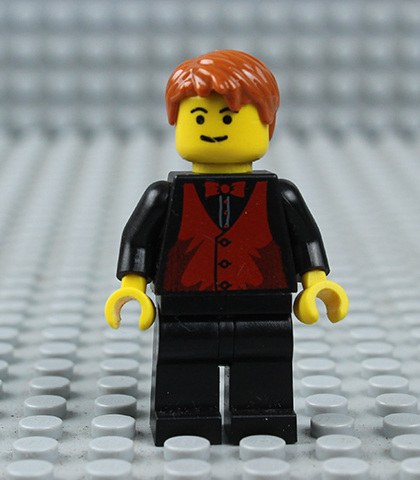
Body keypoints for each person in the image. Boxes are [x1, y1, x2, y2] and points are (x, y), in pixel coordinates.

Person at [105, 50, 348, 446]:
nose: (213, 129)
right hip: (186, 307)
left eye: (229, 118)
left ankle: (262, 415)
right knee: (184, 365)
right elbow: (139, 239)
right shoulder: (164, 196)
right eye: (199, 118)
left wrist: (316, 284)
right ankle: (184, 416)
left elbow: (306, 239)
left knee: (265, 364)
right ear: (178, 123)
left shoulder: (280, 194)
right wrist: (132, 288)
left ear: (267, 125)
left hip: (264, 306)